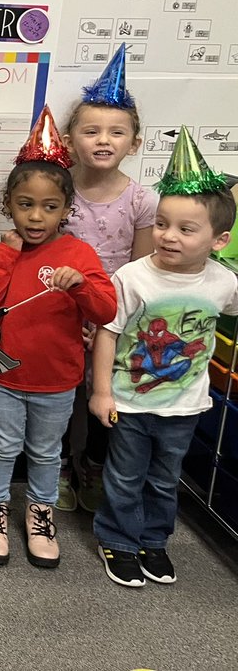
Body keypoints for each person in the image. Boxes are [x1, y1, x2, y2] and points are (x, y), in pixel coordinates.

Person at [91, 128, 238, 587]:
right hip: (131, 402)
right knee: (125, 476)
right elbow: (108, 333)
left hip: (185, 406)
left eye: (185, 229)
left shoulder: (224, 283)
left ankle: (154, 540)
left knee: (164, 478)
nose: (168, 236)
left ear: (219, 240)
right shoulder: (132, 277)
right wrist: (101, 392)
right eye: (161, 224)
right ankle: (118, 540)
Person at [0, 106, 117, 569]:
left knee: (46, 451)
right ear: (8, 205)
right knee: (0, 446)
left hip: (57, 381)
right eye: (25, 205)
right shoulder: (2, 251)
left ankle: (41, 513)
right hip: (6, 377)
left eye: (50, 207)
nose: (36, 217)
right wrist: (5, 256)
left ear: (67, 209)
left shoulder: (79, 253)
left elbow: (106, 311)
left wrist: (81, 286)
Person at [59, 44, 155, 513]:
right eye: (91, 131)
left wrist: (107, 323)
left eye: (116, 132)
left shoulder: (141, 201)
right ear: (69, 139)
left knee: (104, 395)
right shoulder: (57, 191)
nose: (103, 140)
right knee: (59, 396)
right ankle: (59, 466)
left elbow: (141, 271)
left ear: (134, 143)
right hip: (60, 312)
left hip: (113, 319)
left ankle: (94, 465)